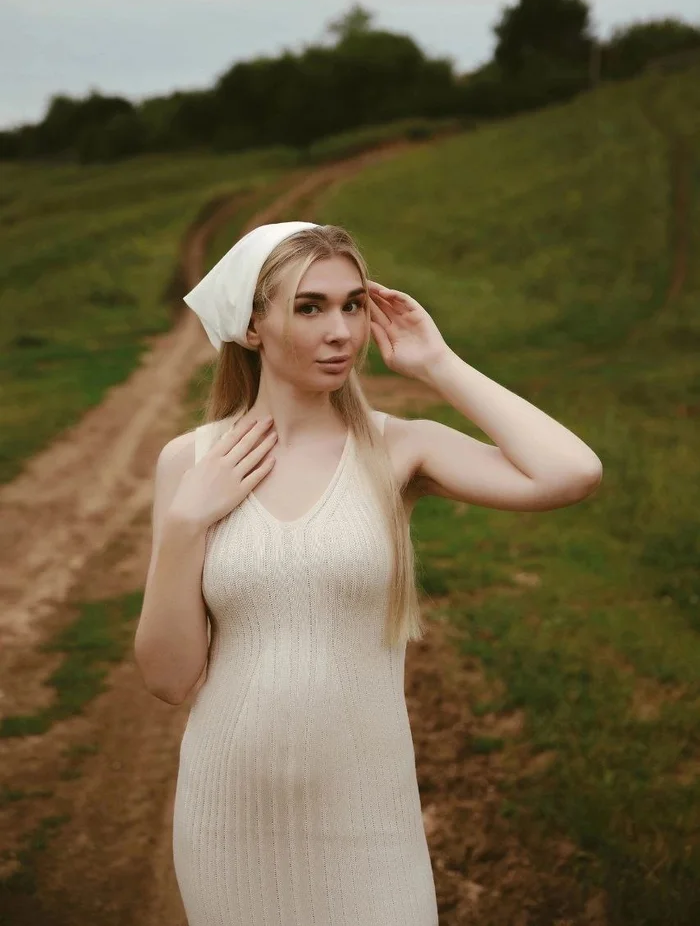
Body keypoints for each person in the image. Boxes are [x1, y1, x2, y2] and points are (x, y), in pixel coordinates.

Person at [134, 220, 602, 925]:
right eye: (310, 307)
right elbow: (170, 679)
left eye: (353, 304)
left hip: (367, 819)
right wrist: (182, 525)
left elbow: (572, 472)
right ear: (253, 325)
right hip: (229, 818)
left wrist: (438, 363)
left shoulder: (399, 448)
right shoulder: (189, 463)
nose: (341, 331)